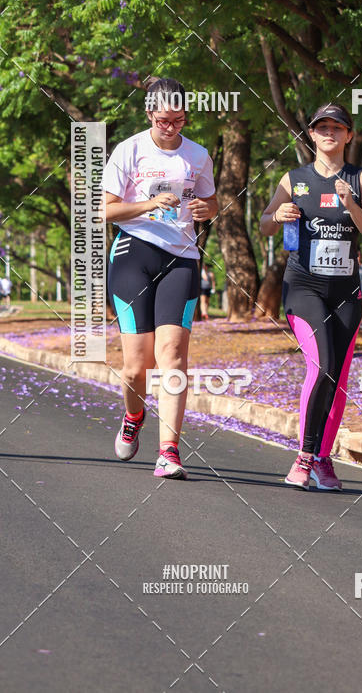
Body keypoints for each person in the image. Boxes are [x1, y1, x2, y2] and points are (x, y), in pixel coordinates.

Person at [260, 103, 362, 490]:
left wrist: (351, 204)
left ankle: (323, 459)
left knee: (339, 378)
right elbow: (265, 223)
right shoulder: (294, 178)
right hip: (304, 287)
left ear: (350, 135)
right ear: (311, 134)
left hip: (346, 292)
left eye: (338, 127)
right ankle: (303, 457)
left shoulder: (360, 178)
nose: (329, 132)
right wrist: (277, 217)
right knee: (323, 365)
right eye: (322, 127)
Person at [102, 77, 218, 479]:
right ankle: (134, 415)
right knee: (137, 366)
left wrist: (206, 209)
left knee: (172, 356)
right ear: (150, 112)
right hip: (135, 253)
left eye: (179, 120)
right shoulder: (129, 150)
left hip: (182, 258)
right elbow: (106, 211)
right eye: (164, 119)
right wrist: (150, 203)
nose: (171, 127)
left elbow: (212, 200)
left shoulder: (199, 155)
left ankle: (169, 450)